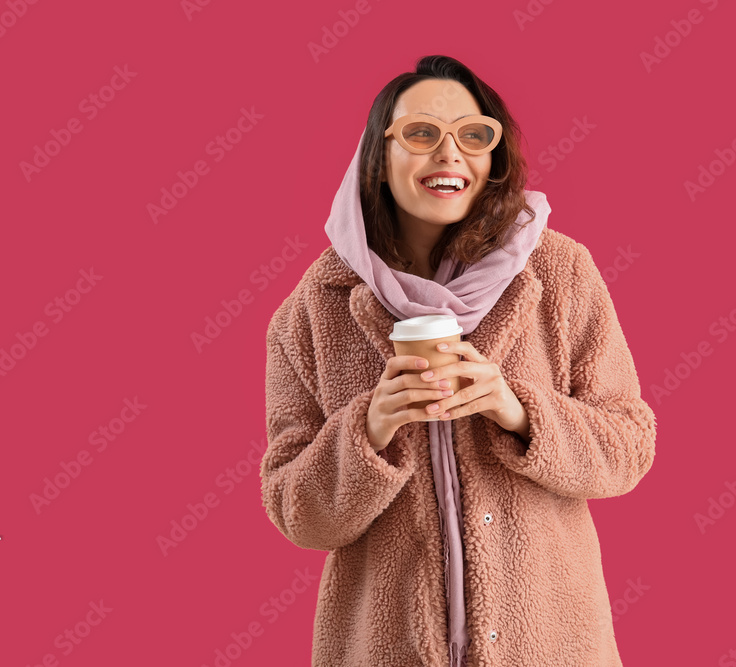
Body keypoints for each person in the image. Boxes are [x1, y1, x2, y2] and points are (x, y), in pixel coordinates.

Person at [260, 54, 658, 667]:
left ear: (493, 157)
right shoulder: (313, 311)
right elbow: (296, 512)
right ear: (378, 155)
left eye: (474, 136)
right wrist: (368, 432)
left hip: (549, 646)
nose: (449, 154)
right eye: (421, 133)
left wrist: (518, 410)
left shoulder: (559, 272)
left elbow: (629, 447)